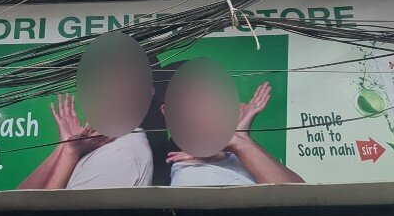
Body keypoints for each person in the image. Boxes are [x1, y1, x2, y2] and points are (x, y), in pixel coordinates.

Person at [164, 81, 306, 186]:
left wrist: (242, 138)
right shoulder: (193, 178)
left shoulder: (232, 154)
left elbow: (302, 188)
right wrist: (238, 143)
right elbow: (296, 201)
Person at [18, 94, 153, 190]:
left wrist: (70, 150)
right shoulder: (95, 145)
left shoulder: (117, 153)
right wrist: (66, 145)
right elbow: (19, 201)